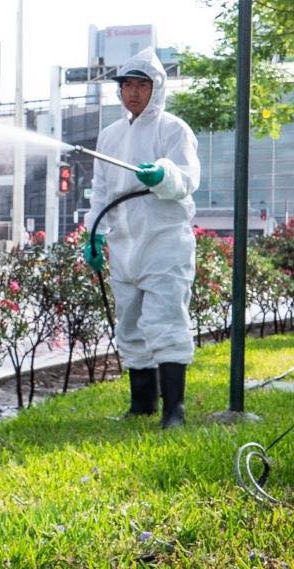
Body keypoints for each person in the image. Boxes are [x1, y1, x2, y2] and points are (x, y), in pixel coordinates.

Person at [82, 47, 200, 428]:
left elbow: (187, 179)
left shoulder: (173, 129)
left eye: (141, 85)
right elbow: (101, 191)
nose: (133, 93)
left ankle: (174, 411)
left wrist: (162, 174)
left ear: (157, 88)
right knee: (130, 323)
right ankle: (142, 403)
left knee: (166, 320)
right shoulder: (110, 135)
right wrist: (95, 235)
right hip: (124, 242)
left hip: (164, 241)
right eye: (127, 85)